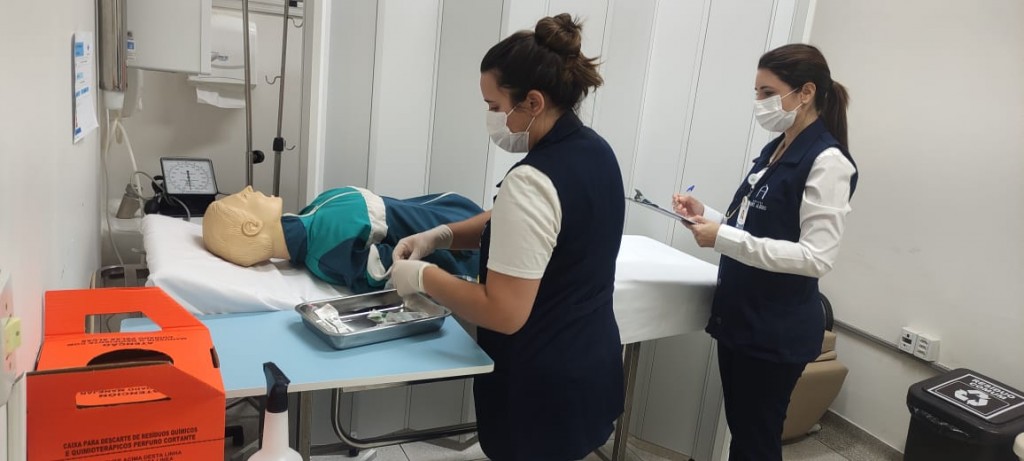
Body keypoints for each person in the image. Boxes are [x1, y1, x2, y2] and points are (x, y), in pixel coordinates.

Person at [388, 13, 625, 461]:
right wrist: (441, 236)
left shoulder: (533, 180)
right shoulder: (594, 151)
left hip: (541, 388)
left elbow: (505, 312)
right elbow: (517, 225)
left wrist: (421, 277)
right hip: (590, 365)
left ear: (532, 102)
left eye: (495, 107)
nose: (492, 118)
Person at [672, 44, 858, 460]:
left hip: (775, 328)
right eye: (757, 92)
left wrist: (722, 238)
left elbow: (816, 257)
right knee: (744, 431)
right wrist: (708, 216)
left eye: (768, 92)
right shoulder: (778, 148)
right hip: (742, 316)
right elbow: (753, 224)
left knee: (755, 441)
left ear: (805, 92)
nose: (759, 102)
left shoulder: (828, 162)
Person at [202, 185, 482, 293]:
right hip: (468, 250)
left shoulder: (312, 215)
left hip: (458, 220)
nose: (248, 188)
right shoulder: (326, 253)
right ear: (251, 227)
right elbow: (394, 267)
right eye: (242, 198)